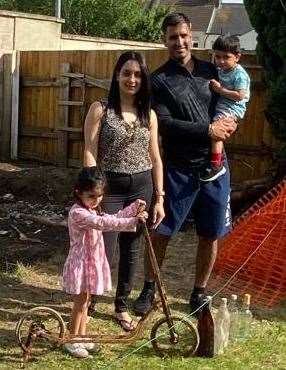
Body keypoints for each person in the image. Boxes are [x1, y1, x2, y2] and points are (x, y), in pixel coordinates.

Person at [133, 13, 237, 316]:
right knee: (161, 231)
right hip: (178, 169)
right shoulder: (158, 80)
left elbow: (232, 104)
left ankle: (199, 292)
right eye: (172, 37)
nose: (179, 42)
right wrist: (208, 131)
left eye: (183, 35)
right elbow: (164, 124)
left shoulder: (211, 70)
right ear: (164, 40)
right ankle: (149, 289)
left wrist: (230, 126)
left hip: (215, 168)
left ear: (191, 35)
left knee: (211, 233)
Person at [83, 51, 165, 331]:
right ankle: (90, 297)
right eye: (127, 73)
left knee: (131, 250)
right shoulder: (100, 109)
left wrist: (160, 198)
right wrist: (92, 192)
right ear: (117, 75)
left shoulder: (149, 115)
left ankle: (121, 306)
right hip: (110, 188)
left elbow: (155, 158)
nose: (132, 79)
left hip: (141, 188)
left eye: (138, 74)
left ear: (143, 79)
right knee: (102, 248)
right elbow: (90, 151)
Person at [62, 166, 148, 358]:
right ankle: (72, 339)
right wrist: (132, 221)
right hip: (81, 265)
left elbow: (112, 217)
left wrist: (133, 209)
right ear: (78, 193)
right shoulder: (79, 214)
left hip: (90, 264)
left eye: (99, 196)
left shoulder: (92, 209)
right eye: (91, 196)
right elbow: (105, 224)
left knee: (87, 301)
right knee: (80, 303)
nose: (96, 200)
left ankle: (82, 336)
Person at [200, 35, 251, 182]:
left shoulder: (239, 74)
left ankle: (216, 165)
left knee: (216, 131)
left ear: (237, 57)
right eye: (218, 56)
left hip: (231, 108)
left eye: (226, 57)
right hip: (223, 105)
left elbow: (240, 96)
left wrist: (221, 90)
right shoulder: (221, 70)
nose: (221, 61)